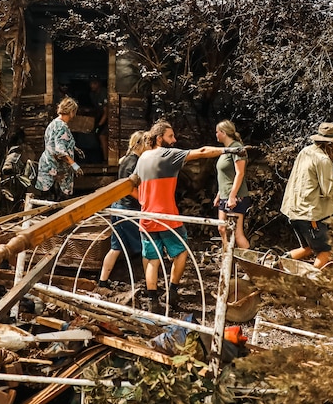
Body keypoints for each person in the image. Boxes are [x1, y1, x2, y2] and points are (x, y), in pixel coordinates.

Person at [134, 120, 247, 314]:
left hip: (146, 217)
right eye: (171, 136)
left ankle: (152, 301)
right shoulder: (168, 154)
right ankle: (173, 292)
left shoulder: (142, 158)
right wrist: (228, 151)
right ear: (160, 138)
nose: (174, 139)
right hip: (167, 217)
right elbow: (202, 152)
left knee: (151, 259)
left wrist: (144, 201)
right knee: (181, 252)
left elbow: (132, 184)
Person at [280, 122, 333, 269]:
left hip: (293, 210)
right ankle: (306, 279)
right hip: (310, 214)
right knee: (326, 251)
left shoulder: (305, 151)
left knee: (309, 248)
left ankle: (277, 264)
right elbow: (328, 191)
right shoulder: (323, 160)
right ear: (332, 144)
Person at [98, 131, 145, 289]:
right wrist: (144, 201)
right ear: (141, 144)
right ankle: (144, 284)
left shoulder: (125, 160)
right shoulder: (135, 162)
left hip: (117, 207)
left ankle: (103, 281)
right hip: (128, 209)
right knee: (142, 246)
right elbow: (129, 189)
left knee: (116, 247)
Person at [35, 97, 83, 200]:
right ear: (71, 111)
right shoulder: (62, 126)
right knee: (57, 203)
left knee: (47, 200)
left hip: (47, 164)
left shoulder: (54, 123)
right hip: (56, 169)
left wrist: (74, 148)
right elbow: (60, 152)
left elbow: (54, 142)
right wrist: (74, 165)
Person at [213, 120, 250, 249]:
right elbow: (225, 175)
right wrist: (219, 195)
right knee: (222, 228)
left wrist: (232, 196)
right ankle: (228, 261)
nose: (216, 134)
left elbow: (240, 173)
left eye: (217, 132)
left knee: (237, 233)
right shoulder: (226, 150)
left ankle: (250, 265)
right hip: (225, 195)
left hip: (236, 196)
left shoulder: (238, 149)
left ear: (223, 133)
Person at [88, 77, 108, 161]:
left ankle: (106, 159)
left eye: (94, 83)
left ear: (99, 84)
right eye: (91, 83)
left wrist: (99, 125)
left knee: (102, 136)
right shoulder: (93, 94)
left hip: (107, 120)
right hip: (101, 119)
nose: (92, 85)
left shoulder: (103, 93)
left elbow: (107, 112)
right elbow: (98, 109)